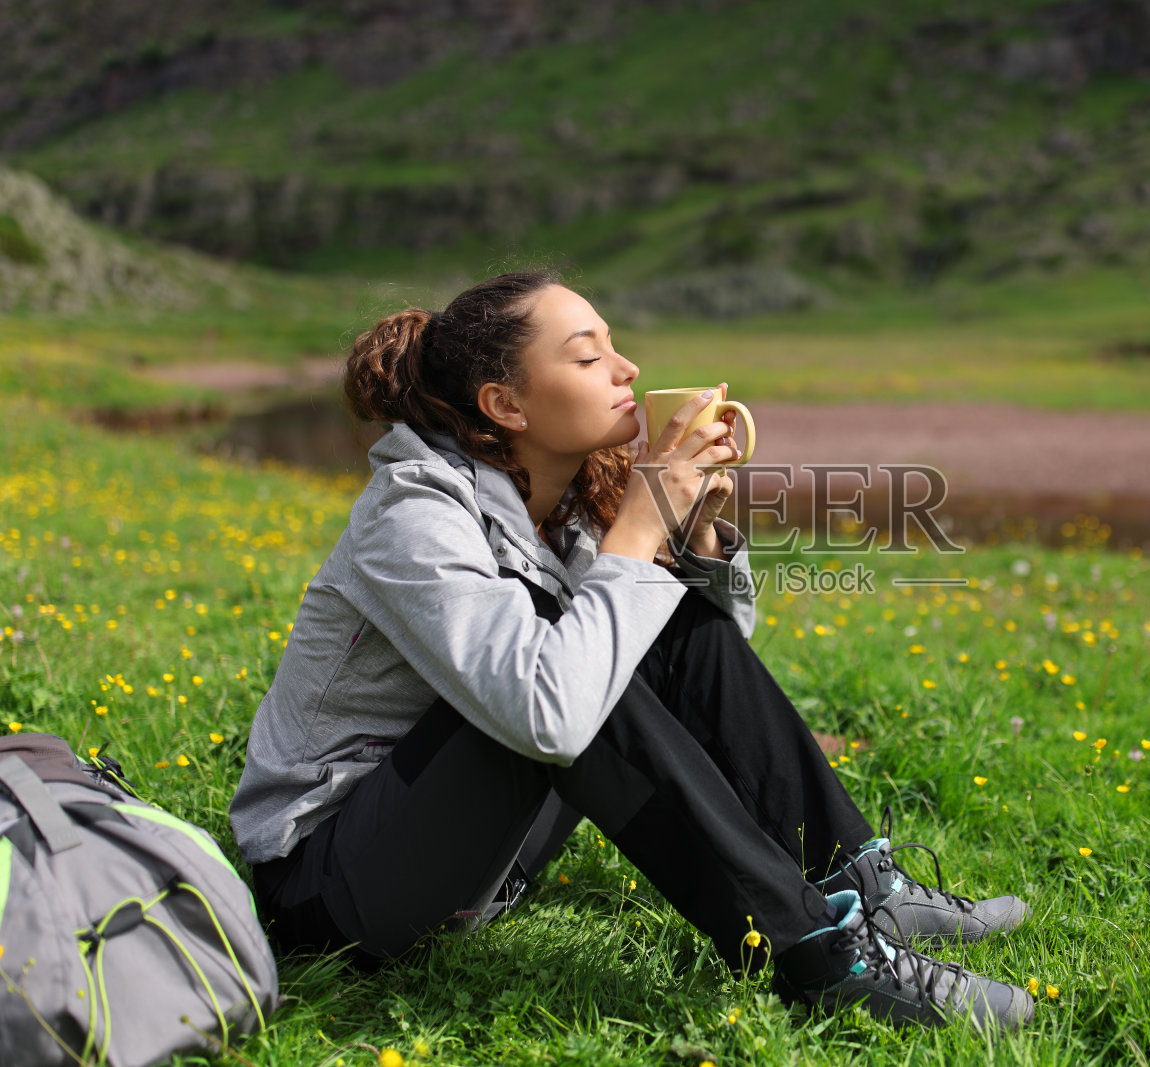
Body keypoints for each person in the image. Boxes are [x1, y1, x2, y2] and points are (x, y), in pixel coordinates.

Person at [228, 269, 1035, 1030]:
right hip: (331, 888)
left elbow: (701, 670)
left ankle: (861, 879)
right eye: (588, 356)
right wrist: (639, 529)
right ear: (506, 404)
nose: (628, 368)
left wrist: (696, 535)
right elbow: (549, 713)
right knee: (568, 660)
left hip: (480, 861)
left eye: (614, 346)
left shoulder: (566, 509)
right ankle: (822, 957)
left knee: (641, 624)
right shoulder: (413, 513)